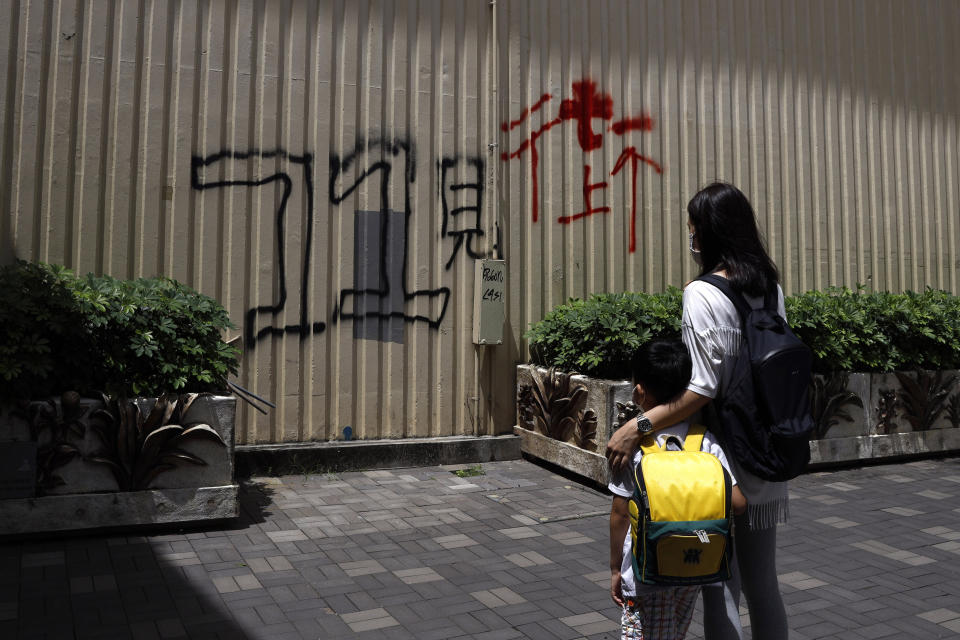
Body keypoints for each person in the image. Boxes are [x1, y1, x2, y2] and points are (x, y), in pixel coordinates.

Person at [605, 182, 790, 640]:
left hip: (720, 455)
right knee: (764, 585)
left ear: (707, 233)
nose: (691, 240)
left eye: (693, 231)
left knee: (720, 587)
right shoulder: (770, 289)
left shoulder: (702, 294)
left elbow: (702, 389)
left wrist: (637, 426)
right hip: (768, 449)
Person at [609, 338, 747, 640]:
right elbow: (738, 503)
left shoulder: (633, 446)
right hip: (692, 567)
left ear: (638, 391)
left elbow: (620, 514)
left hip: (646, 573)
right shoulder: (704, 441)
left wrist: (615, 569)